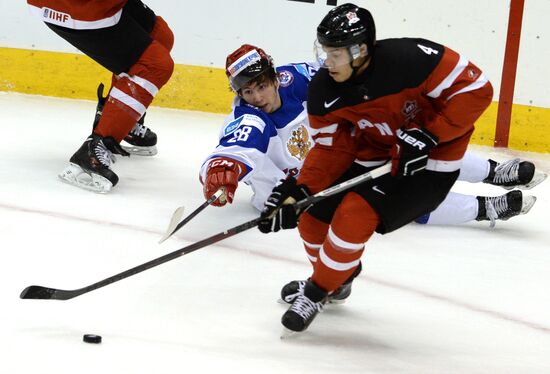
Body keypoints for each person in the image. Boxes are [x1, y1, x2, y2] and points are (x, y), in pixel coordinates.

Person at [255, 3, 517, 333]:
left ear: (360, 50)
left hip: (429, 163)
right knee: (312, 216)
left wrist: (431, 135)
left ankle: (317, 291)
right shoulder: (324, 89)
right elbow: (332, 147)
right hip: (375, 152)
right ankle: (337, 280)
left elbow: (476, 89)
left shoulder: (411, 60)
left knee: (355, 213)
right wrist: (302, 189)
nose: (327, 62)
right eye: (324, 52)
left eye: (335, 54)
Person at [199, 45, 544, 229]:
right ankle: (486, 209)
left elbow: (345, 85)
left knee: (405, 145)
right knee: (395, 202)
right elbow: (233, 150)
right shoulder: (249, 120)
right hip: (301, 189)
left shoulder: (298, 78)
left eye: (261, 86)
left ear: (274, 77)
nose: (258, 96)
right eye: (248, 91)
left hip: (337, 156)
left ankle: (493, 172)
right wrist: (220, 172)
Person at [27, 0, 175, 192]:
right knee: (155, 65)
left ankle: (119, 121)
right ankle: (93, 151)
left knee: (160, 35)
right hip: (78, 6)